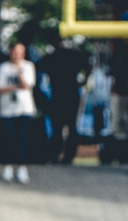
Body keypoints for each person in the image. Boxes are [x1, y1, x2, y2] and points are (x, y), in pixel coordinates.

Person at [38, 31, 90, 164]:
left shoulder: (68, 55)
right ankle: (60, 154)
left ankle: (65, 155)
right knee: (60, 126)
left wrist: (84, 81)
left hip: (67, 94)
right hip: (61, 94)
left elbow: (88, 64)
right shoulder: (54, 57)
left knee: (68, 126)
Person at [0, 42, 36, 184]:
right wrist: (14, 86)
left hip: (24, 108)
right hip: (7, 109)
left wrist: (19, 71)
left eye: (20, 52)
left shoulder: (28, 66)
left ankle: (22, 168)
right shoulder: (3, 68)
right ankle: (7, 167)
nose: (17, 55)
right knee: (8, 138)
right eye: (15, 52)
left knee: (22, 139)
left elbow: (26, 85)